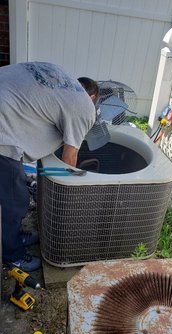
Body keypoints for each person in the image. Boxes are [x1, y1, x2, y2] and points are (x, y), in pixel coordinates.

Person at [0, 62, 99, 271]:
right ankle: (13, 256)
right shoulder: (85, 107)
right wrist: (69, 198)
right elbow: (69, 158)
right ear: (92, 99)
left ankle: (15, 236)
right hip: (2, 125)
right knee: (15, 198)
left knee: (12, 191)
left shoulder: (63, 81)